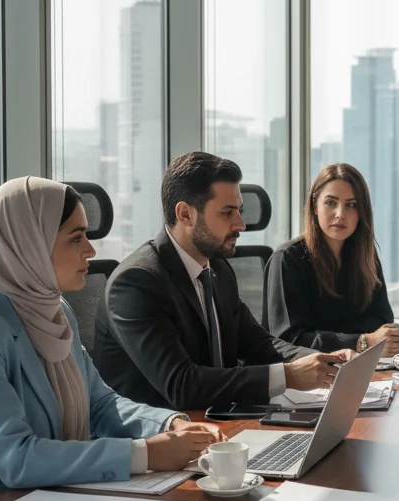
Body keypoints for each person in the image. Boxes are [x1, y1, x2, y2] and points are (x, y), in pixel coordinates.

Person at [0, 178, 224, 501]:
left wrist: (170, 425)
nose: (91, 251)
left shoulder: (55, 309)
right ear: (29, 245)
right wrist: (144, 454)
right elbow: (14, 457)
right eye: (76, 237)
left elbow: (100, 404)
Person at [94, 153, 353, 410]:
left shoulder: (217, 269)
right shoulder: (136, 282)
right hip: (159, 437)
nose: (240, 224)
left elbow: (258, 343)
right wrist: (288, 375)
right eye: (227, 213)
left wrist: (320, 361)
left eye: (239, 211)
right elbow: (181, 385)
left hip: (218, 421)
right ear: (185, 214)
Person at [265, 164, 399, 356]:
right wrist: (361, 342)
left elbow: (381, 320)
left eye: (351, 205)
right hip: (303, 378)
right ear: (315, 206)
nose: (341, 214)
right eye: (331, 203)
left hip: (359, 368)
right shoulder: (287, 259)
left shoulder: (365, 255)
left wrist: (389, 337)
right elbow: (290, 338)